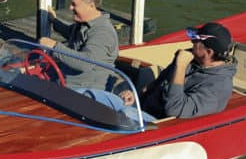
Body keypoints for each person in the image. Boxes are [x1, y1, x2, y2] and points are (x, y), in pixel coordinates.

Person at [87, 22, 236, 122]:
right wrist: (136, 96)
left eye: (196, 41)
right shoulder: (192, 58)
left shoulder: (219, 86)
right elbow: (158, 83)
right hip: (145, 108)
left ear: (208, 52)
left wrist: (181, 67)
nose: (191, 43)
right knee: (94, 95)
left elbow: (175, 109)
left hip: (160, 125)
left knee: (120, 114)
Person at [38, 0, 119, 89]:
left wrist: (54, 47)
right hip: (64, 83)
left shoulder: (102, 32)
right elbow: (69, 32)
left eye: (74, 4)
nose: (70, 8)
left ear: (91, 5)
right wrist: (54, 21)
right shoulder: (84, 24)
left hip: (85, 92)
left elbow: (85, 62)